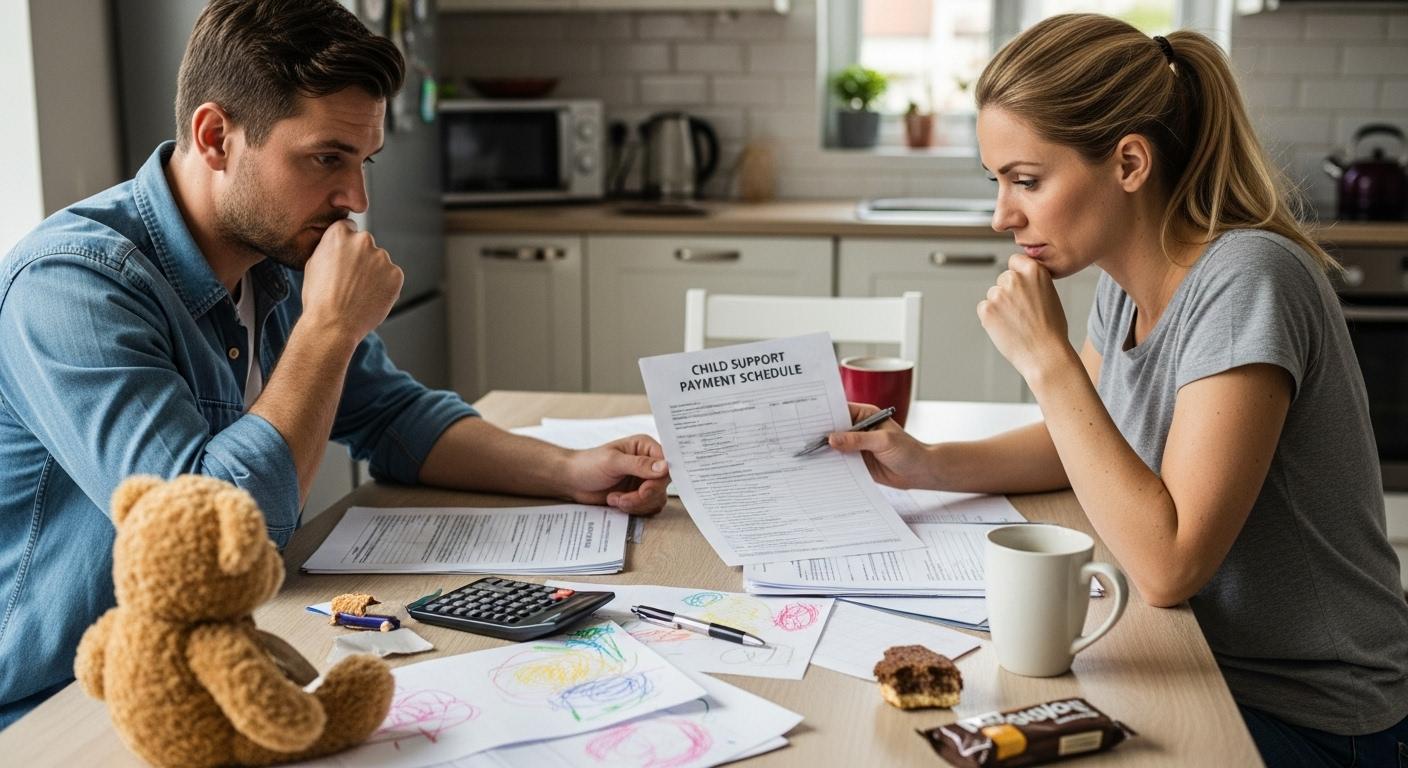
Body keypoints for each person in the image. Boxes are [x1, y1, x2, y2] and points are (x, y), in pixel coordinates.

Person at [0, 0, 668, 728]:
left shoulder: (273, 255)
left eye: (362, 160)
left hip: (202, 672)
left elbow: (391, 415)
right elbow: (208, 547)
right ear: (216, 136)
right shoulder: (73, 287)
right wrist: (327, 328)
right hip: (54, 706)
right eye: (326, 158)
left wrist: (567, 471)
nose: (355, 198)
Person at [829, 14, 1408, 766]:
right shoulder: (1123, 281)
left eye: (1027, 181)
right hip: (1196, 667)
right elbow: (1081, 444)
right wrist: (926, 462)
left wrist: (1048, 362)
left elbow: (1168, 567)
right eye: (998, 182)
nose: (1004, 215)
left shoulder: (1247, 280)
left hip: (1317, 719)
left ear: (1129, 163)